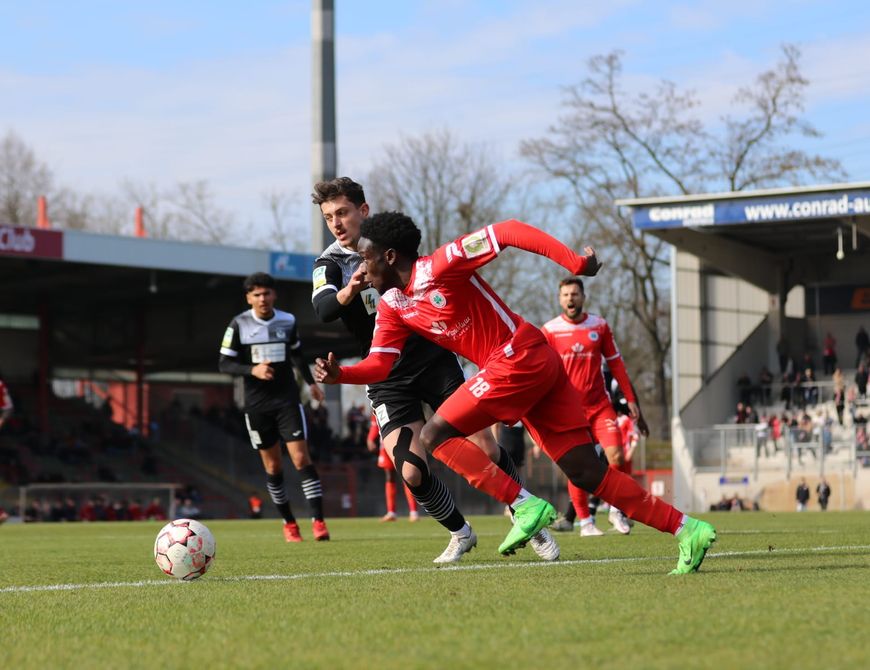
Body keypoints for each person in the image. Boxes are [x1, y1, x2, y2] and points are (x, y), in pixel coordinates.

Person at [315, 211, 716, 574]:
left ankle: (523, 503)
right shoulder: (392, 306)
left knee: (434, 434)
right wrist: (341, 375)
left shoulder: (439, 265)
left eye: (365, 258)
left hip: (518, 356)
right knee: (585, 471)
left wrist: (574, 262)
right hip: (529, 366)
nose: (361, 270)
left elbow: (507, 231)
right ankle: (687, 529)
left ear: (388, 256)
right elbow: (381, 365)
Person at [311, 177, 558, 563]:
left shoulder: (389, 247)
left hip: (432, 359)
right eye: (328, 217)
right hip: (385, 374)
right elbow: (324, 309)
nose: (336, 223)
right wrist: (351, 290)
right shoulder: (330, 263)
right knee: (411, 471)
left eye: (342, 212)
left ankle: (525, 515)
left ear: (363, 210)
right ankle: (460, 533)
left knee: (486, 447)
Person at [219, 272, 330, 542]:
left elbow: (296, 354)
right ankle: (289, 523)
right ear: (248, 298)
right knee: (273, 467)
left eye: (266, 293)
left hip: (287, 401)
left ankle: (318, 522)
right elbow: (224, 364)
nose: (262, 298)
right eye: (256, 294)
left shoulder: (288, 320)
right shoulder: (239, 324)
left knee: (302, 458)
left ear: (274, 295)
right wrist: (252, 369)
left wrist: (311, 382)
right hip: (257, 406)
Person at [540, 277, 649, 537]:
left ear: (583, 297)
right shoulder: (550, 330)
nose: (570, 298)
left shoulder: (599, 326)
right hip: (570, 411)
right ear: (559, 299)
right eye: (565, 294)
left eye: (575, 294)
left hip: (600, 406)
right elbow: (542, 371)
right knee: (577, 466)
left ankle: (616, 509)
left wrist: (631, 399)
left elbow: (616, 364)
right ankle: (586, 522)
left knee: (617, 457)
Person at [367, 413, 419, 522]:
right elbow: (375, 423)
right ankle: (391, 512)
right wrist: (371, 438)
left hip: (402, 442)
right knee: (389, 476)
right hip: (385, 444)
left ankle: (414, 512)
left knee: (406, 474)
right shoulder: (376, 404)